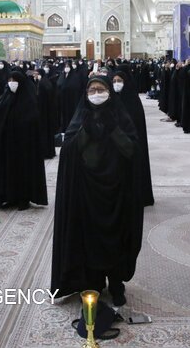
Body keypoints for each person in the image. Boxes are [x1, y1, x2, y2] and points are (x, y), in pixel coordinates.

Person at [51, 76, 143, 306]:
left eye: (101, 89)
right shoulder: (80, 116)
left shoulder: (119, 117)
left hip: (117, 191)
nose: (96, 93)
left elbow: (132, 150)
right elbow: (68, 151)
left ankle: (116, 284)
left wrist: (113, 130)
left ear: (110, 93)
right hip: (87, 190)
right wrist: (85, 132)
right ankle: (93, 282)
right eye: (92, 90)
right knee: (90, 238)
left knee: (116, 238)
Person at [0, 71, 48, 210]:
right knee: (8, 171)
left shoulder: (28, 101)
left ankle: (23, 198)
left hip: (24, 147)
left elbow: (32, 120)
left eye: (14, 80)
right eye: (10, 79)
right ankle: (9, 196)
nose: (11, 83)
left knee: (23, 172)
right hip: (7, 146)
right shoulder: (6, 97)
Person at [111, 64, 154, 206]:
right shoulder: (111, 100)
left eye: (120, 81)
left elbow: (136, 125)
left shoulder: (133, 101)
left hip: (130, 146)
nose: (117, 84)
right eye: (114, 81)